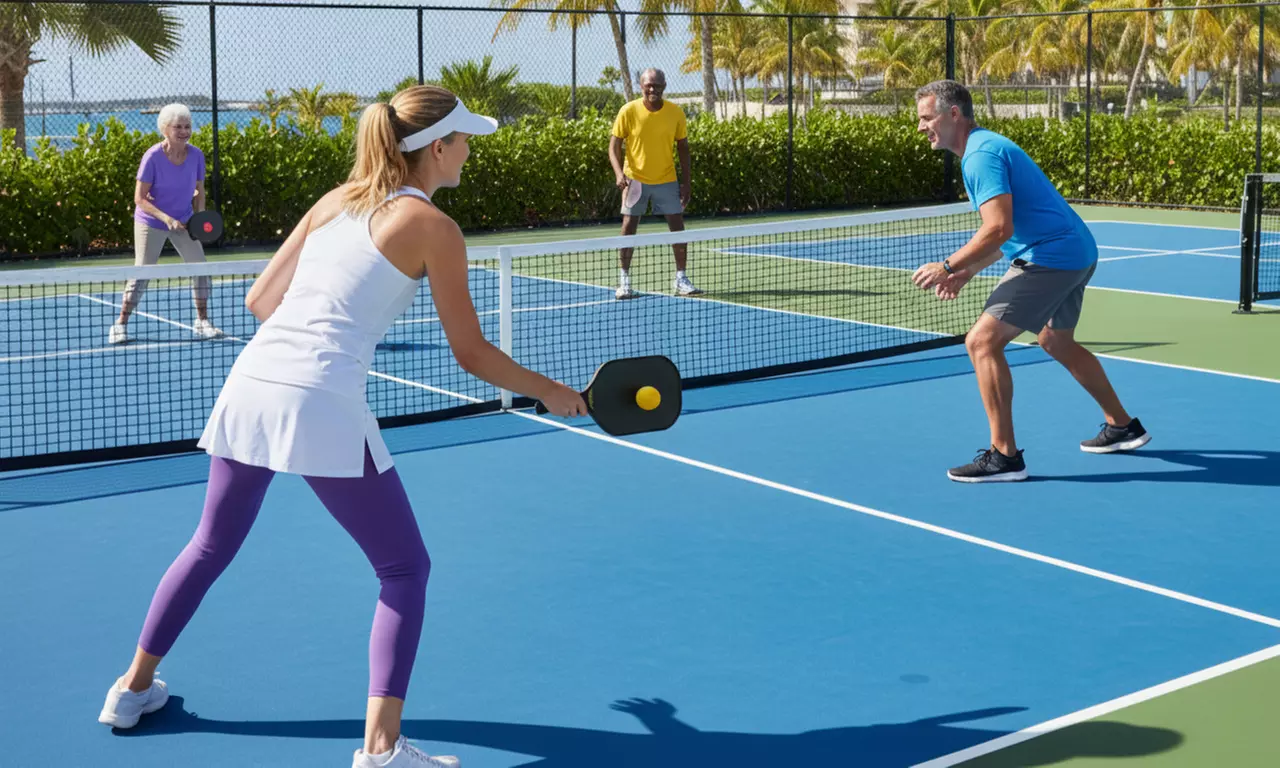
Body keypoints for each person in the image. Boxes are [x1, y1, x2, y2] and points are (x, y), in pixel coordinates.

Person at [97, 85, 588, 768]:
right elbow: (471, 353)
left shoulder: (335, 199)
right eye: (465, 138)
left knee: (209, 546)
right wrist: (553, 392)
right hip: (318, 398)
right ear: (437, 148)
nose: (471, 149)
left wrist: (320, 329)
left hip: (250, 383)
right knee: (405, 570)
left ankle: (130, 690)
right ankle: (382, 751)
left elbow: (260, 299)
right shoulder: (434, 229)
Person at [910, 80, 1150, 483]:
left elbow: (998, 227)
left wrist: (948, 266)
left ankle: (1004, 456)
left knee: (981, 342)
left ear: (953, 114)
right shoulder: (985, 148)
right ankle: (1122, 426)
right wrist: (969, 270)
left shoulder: (980, 156)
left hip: (1052, 256)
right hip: (1075, 251)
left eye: (926, 117)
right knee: (1055, 340)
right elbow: (1010, 232)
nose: (921, 127)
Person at [110, 103, 222, 345]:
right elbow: (139, 198)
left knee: (201, 270)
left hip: (184, 221)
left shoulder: (196, 155)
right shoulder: (152, 157)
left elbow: (199, 191)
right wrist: (166, 218)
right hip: (151, 221)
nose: (184, 131)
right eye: (178, 127)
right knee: (143, 272)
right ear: (165, 129)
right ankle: (120, 324)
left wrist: (199, 216)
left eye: (187, 126)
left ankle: (202, 321)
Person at [608, 67, 702, 299]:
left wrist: (686, 183)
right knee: (628, 226)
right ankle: (624, 281)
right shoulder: (628, 111)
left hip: (667, 179)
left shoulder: (675, 113)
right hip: (635, 181)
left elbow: (683, 148)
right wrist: (620, 174)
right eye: (649, 85)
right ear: (641, 86)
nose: (653, 89)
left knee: (677, 228)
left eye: (657, 85)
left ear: (664, 86)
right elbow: (614, 146)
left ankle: (681, 278)